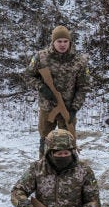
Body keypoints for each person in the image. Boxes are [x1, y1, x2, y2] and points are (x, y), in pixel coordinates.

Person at [26, 25, 90, 155]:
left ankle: (69, 170)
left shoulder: (79, 61)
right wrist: (42, 88)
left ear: (70, 42)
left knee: (68, 142)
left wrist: (74, 108)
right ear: (53, 42)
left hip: (67, 108)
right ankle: (44, 166)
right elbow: (28, 76)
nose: (62, 44)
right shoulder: (41, 57)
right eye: (59, 41)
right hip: (47, 108)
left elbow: (83, 87)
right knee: (45, 140)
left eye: (65, 41)